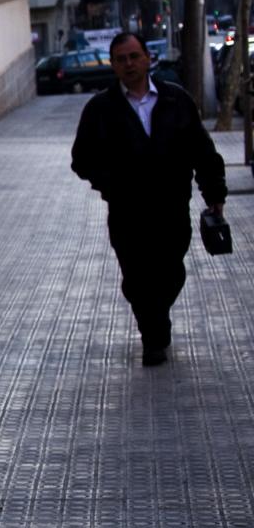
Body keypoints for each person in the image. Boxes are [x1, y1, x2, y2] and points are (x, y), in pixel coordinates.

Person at [70, 31, 227, 366]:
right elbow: (81, 160)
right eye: (121, 59)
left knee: (171, 271)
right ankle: (153, 336)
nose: (128, 64)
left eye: (134, 56)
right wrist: (110, 184)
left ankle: (156, 319)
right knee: (137, 276)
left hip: (171, 208)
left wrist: (214, 193)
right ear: (113, 65)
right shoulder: (101, 108)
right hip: (127, 212)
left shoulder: (176, 100)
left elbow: (203, 151)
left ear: (147, 58)